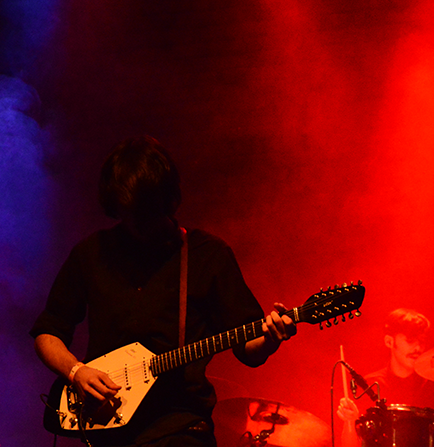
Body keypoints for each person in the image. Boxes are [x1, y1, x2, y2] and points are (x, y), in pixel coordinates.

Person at [31, 135, 296, 447]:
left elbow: (249, 348)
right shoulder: (91, 254)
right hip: (107, 429)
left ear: (167, 200)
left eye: (147, 212)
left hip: (179, 427)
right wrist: (76, 372)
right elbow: (48, 333)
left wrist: (270, 338)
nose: (139, 224)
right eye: (129, 212)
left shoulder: (207, 256)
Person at [336, 308, 434, 447]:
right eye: (410, 341)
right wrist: (350, 421)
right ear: (389, 342)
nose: (418, 348)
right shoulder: (370, 386)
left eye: (422, 341)